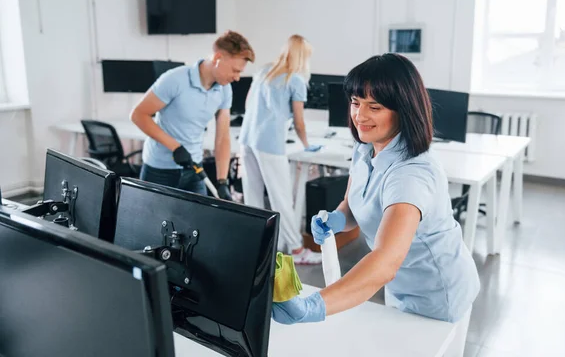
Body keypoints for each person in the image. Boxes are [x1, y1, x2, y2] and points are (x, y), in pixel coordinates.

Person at [271, 53, 480, 356]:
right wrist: (338, 220)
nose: (359, 115)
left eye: (375, 106)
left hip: (438, 293)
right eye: (356, 102)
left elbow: (385, 260)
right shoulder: (364, 146)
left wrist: (313, 306)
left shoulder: (411, 174)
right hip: (397, 286)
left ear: (403, 110)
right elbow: (353, 203)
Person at [130, 31, 255, 200]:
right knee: (152, 225)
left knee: (197, 225)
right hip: (159, 170)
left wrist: (222, 181)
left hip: (194, 170)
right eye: (235, 70)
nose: (237, 77)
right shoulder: (175, 79)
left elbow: (223, 136)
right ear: (218, 57)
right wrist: (175, 147)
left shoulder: (224, 89)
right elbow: (138, 115)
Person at [238, 35, 323, 265]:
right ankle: (296, 250)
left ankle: (255, 246)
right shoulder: (295, 79)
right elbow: (299, 121)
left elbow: (247, 104)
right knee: (281, 198)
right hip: (269, 144)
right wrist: (306, 145)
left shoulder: (263, 71)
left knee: (253, 196)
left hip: (247, 139)